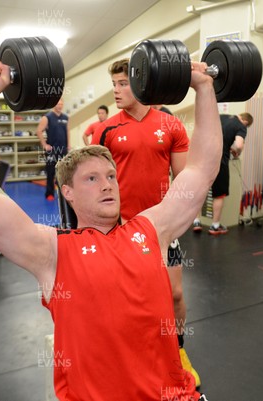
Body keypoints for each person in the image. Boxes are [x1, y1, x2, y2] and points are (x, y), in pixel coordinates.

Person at [0, 59, 221, 400]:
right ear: (67, 192)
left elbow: (201, 170)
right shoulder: (52, 252)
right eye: (92, 179)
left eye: (111, 176)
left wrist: (204, 88)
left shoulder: (150, 230)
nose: (107, 185)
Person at [91, 58, 200, 386]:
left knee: (175, 295)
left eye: (123, 83)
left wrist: (178, 218)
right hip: (120, 227)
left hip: (162, 227)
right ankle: (130, 357)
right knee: (125, 301)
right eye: (114, 85)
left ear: (140, 84)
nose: (117, 90)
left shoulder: (171, 126)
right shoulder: (105, 128)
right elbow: (96, 183)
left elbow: (183, 181)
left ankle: (178, 350)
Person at [193, 112, 252, 235]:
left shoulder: (221, 116)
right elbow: (239, 144)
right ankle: (214, 226)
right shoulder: (241, 126)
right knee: (219, 194)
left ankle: (196, 221)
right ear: (246, 122)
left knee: (199, 191)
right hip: (218, 160)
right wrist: (237, 151)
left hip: (201, 157)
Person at [36, 99, 70, 200]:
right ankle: (49, 193)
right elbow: (38, 131)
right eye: (58, 103)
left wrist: (69, 145)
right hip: (52, 150)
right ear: (54, 104)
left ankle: (63, 194)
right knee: (50, 172)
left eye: (61, 104)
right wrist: (44, 145)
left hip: (63, 149)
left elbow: (67, 131)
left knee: (63, 173)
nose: (60, 106)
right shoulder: (47, 117)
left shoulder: (66, 117)